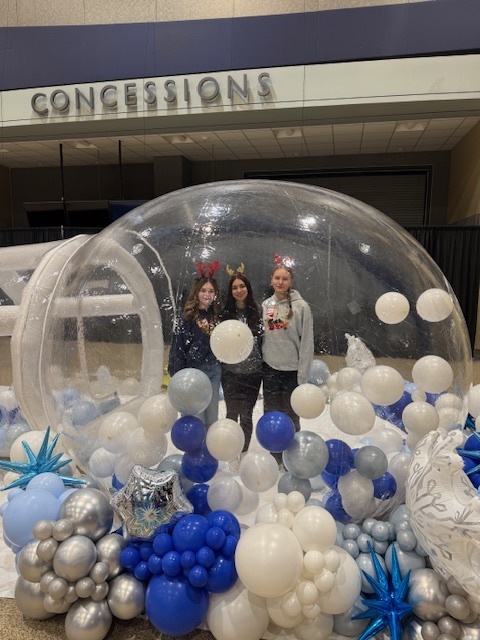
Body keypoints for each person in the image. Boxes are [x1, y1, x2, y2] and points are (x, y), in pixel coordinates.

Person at [262, 254, 314, 432]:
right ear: (271, 280)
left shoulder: (302, 307)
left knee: (291, 416)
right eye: (277, 278)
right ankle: (274, 456)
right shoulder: (266, 305)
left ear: (291, 281)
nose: (280, 282)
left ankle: (292, 456)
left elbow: (307, 342)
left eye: (285, 278)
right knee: (271, 415)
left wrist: (303, 376)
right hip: (270, 370)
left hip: (292, 372)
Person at [168, 260, 222, 427]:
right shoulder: (187, 317)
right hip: (193, 372)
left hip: (213, 370)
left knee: (212, 416)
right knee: (196, 416)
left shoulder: (217, 317)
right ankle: (197, 449)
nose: (207, 294)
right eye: (203, 290)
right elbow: (178, 347)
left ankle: (212, 450)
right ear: (196, 293)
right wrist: (179, 375)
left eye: (211, 291)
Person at [221, 266, 263, 452]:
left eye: (242, 286)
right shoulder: (224, 314)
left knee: (246, 415)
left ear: (248, 288)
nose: (239, 290)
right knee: (231, 414)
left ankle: (244, 451)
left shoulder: (258, 312)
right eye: (235, 287)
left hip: (253, 372)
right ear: (231, 292)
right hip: (230, 372)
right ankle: (230, 450)